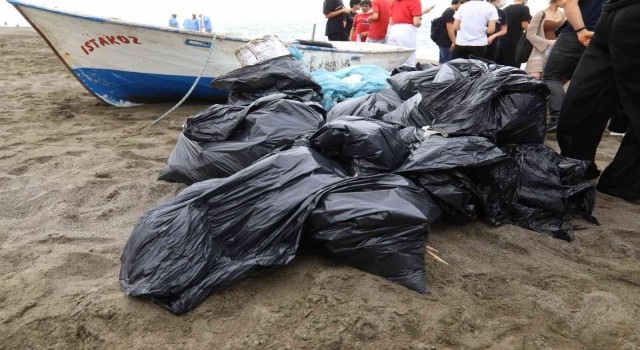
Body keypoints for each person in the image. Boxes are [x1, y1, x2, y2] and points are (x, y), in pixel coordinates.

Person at [556, 0, 640, 200]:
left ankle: (620, 181)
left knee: (586, 96)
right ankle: (579, 167)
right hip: (612, 12)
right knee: (583, 98)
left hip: (619, 12)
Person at [542, 0, 604, 131]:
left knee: (551, 76)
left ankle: (557, 117)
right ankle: (579, 120)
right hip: (602, 36)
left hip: (577, 33)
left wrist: (581, 30)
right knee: (585, 82)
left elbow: (569, 2)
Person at [524, 0, 566, 78]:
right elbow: (530, 34)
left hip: (555, 51)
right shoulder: (541, 14)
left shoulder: (563, 14)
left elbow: (563, 32)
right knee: (535, 78)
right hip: (539, 50)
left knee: (550, 78)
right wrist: (548, 42)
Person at [387, 0, 424, 66]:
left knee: (395, 59)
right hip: (407, 31)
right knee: (409, 59)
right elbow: (416, 22)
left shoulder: (394, 2)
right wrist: (420, 22)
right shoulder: (415, 1)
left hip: (394, 30)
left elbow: (391, 22)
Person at [500, 0, 532, 67]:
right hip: (515, 41)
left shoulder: (506, 8)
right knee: (513, 67)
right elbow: (524, 25)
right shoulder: (524, 8)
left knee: (502, 65)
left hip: (503, 41)